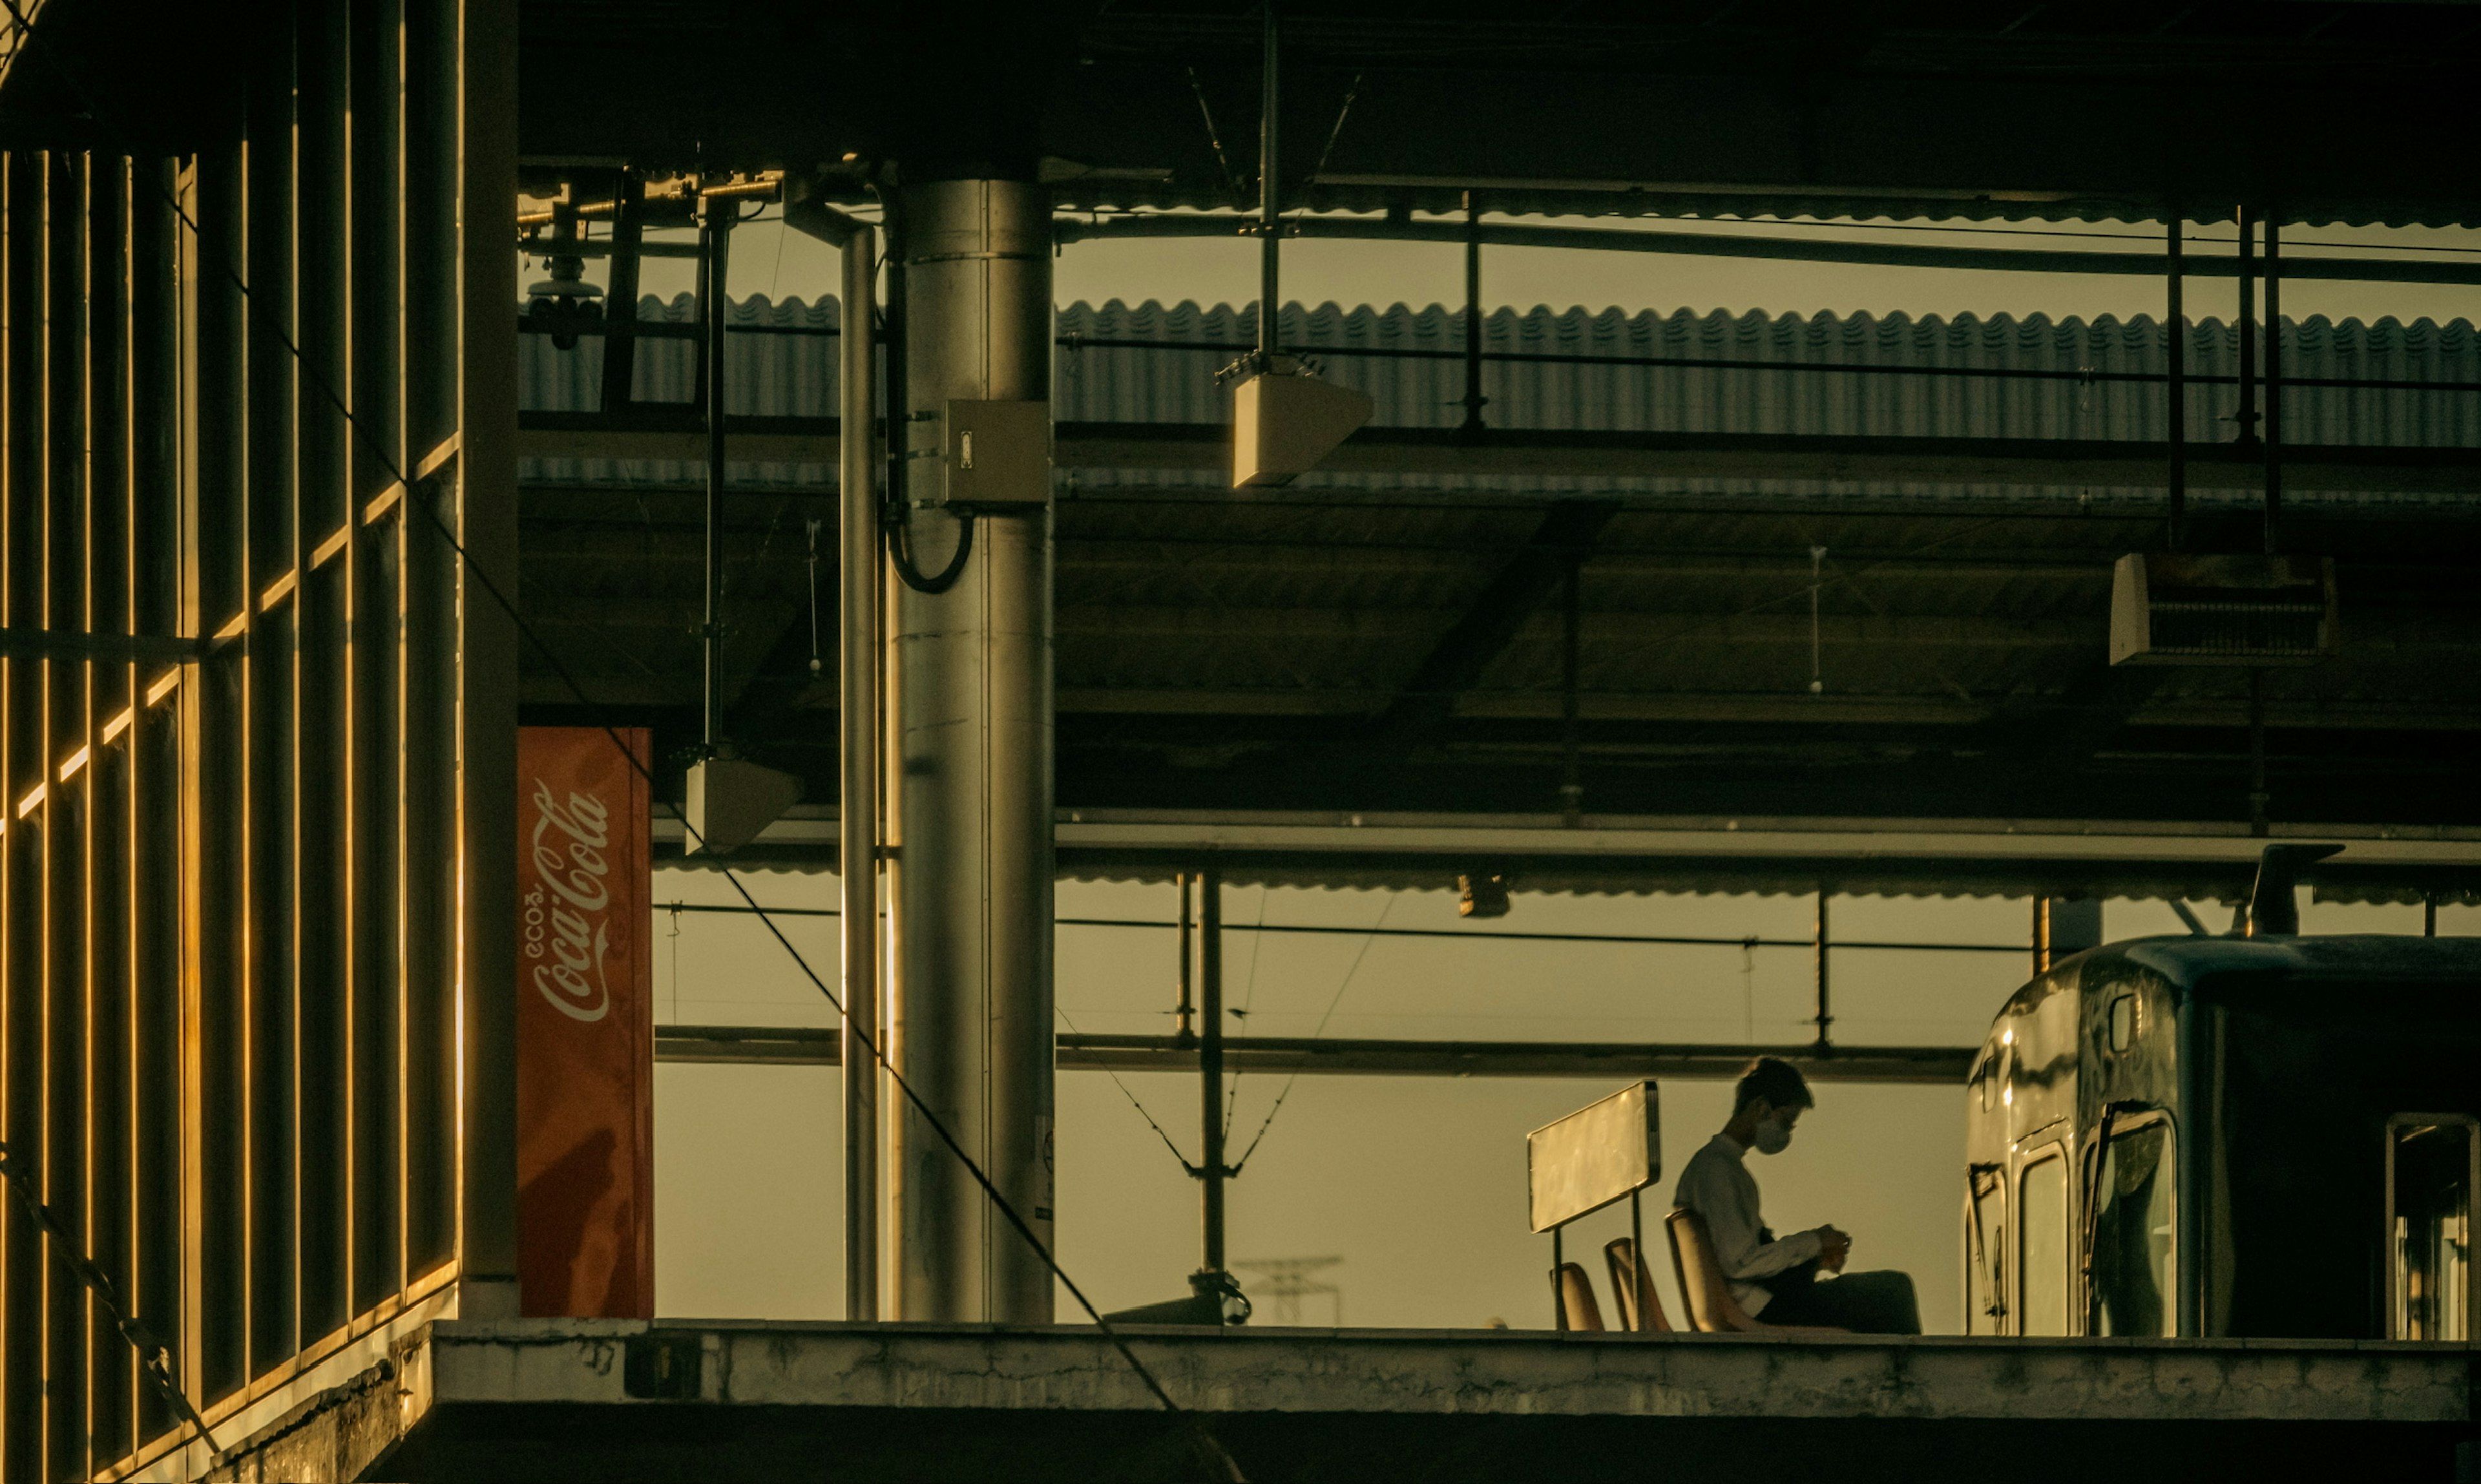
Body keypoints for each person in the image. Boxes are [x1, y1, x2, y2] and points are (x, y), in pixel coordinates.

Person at [1670, 1056, 1921, 1334]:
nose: (1787, 1132)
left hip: (1759, 1302)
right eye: (1786, 1121)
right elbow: (1742, 1263)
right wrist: (1815, 1241)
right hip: (1764, 1309)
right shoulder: (1719, 1171)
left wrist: (1811, 1259)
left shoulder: (1713, 1166)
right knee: (1892, 1291)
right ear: (1761, 1108)